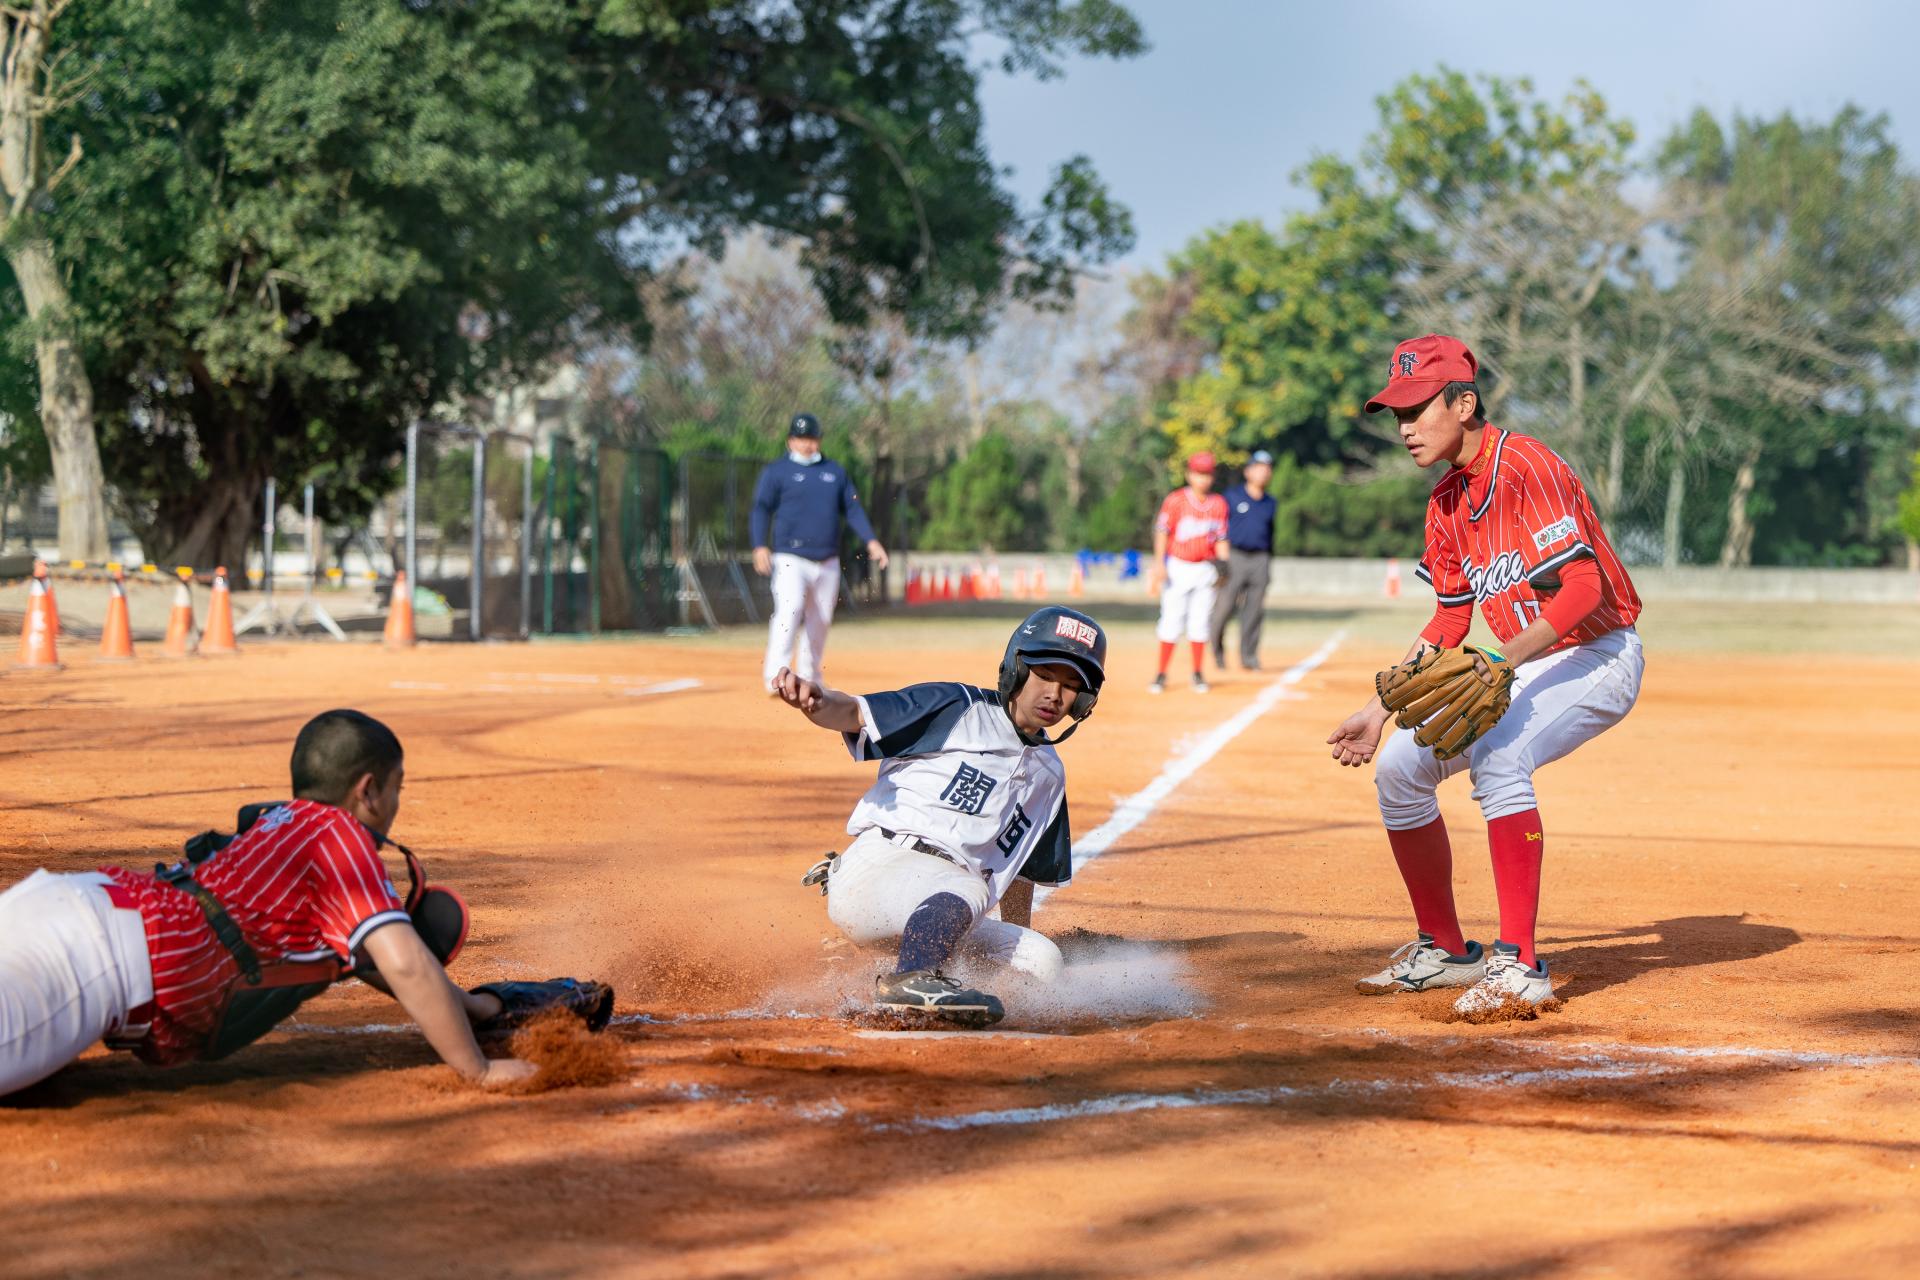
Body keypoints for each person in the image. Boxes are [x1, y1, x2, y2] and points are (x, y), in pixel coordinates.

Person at [0, 710, 609, 1098]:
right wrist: (476, 1069)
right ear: (367, 791)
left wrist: (477, 1005)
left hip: (72, 902)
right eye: (397, 788)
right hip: (90, 961)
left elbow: (364, 959)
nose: (397, 803)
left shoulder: (280, 821)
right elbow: (400, 960)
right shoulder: (341, 837)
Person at [1326, 334, 1644, 1018]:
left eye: (1417, 409)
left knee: (1500, 758)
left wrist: (1503, 659)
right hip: (1521, 665)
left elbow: (1584, 591)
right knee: (1399, 771)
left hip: (1597, 653)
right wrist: (1379, 707)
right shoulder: (1445, 505)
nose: (1405, 427)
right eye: (1396, 415)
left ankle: (1521, 965)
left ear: (1464, 403)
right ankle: (1445, 949)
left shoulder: (1526, 465)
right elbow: (1448, 619)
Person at [778, 606, 1107, 1026]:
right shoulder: (960, 707)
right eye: (1045, 676)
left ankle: (924, 980)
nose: (1054, 696)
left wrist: (1000, 960)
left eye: (1070, 686)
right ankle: (913, 979)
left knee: (1042, 959)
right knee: (970, 886)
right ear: (1016, 669)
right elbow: (855, 713)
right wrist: (816, 701)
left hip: (941, 905)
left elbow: (1021, 872)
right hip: (879, 873)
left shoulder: (1049, 776)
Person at [751, 411, 889, 693]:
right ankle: (775, 678)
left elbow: (852, 508)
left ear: (819, 440)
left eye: (811, 438)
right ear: (790, 441)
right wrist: (759, 544)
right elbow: (761, 508)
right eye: (801, 438)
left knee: (821, 620)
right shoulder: (777, 472)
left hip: (827, 559)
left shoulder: (834, 472)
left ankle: (810, 676)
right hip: (790, 557)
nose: (807, 444)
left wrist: (871, 541)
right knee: (789, 611)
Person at [1148, 451, 1229, 694]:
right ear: (1189, 474)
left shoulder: (1218, 504)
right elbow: (1162, 531)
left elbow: (1222, 538)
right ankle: (1161, 673)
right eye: (1198, 473)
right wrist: (1160, 563)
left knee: (1200, 622)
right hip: (1178, 565)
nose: (1202, 479)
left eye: (1207, 474)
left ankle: (1197, 673)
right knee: (1172, 620)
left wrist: (1225, 565)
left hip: (1205, 568)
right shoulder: (1175, 500)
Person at [1210, 449, 1277, 671]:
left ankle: (1249, 657)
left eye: (1268, 469)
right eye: (1259, 468)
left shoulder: (1270, 502)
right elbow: (1219, 528)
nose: (1264, 473)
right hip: (1235, 556)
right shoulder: (1232, 496)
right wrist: (1220, 559)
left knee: (1254, 610)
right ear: (1248, 471)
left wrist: (1268, 562)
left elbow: (1271, 533)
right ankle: (1217, 653)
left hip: (1260, 558)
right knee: (1225, 607)